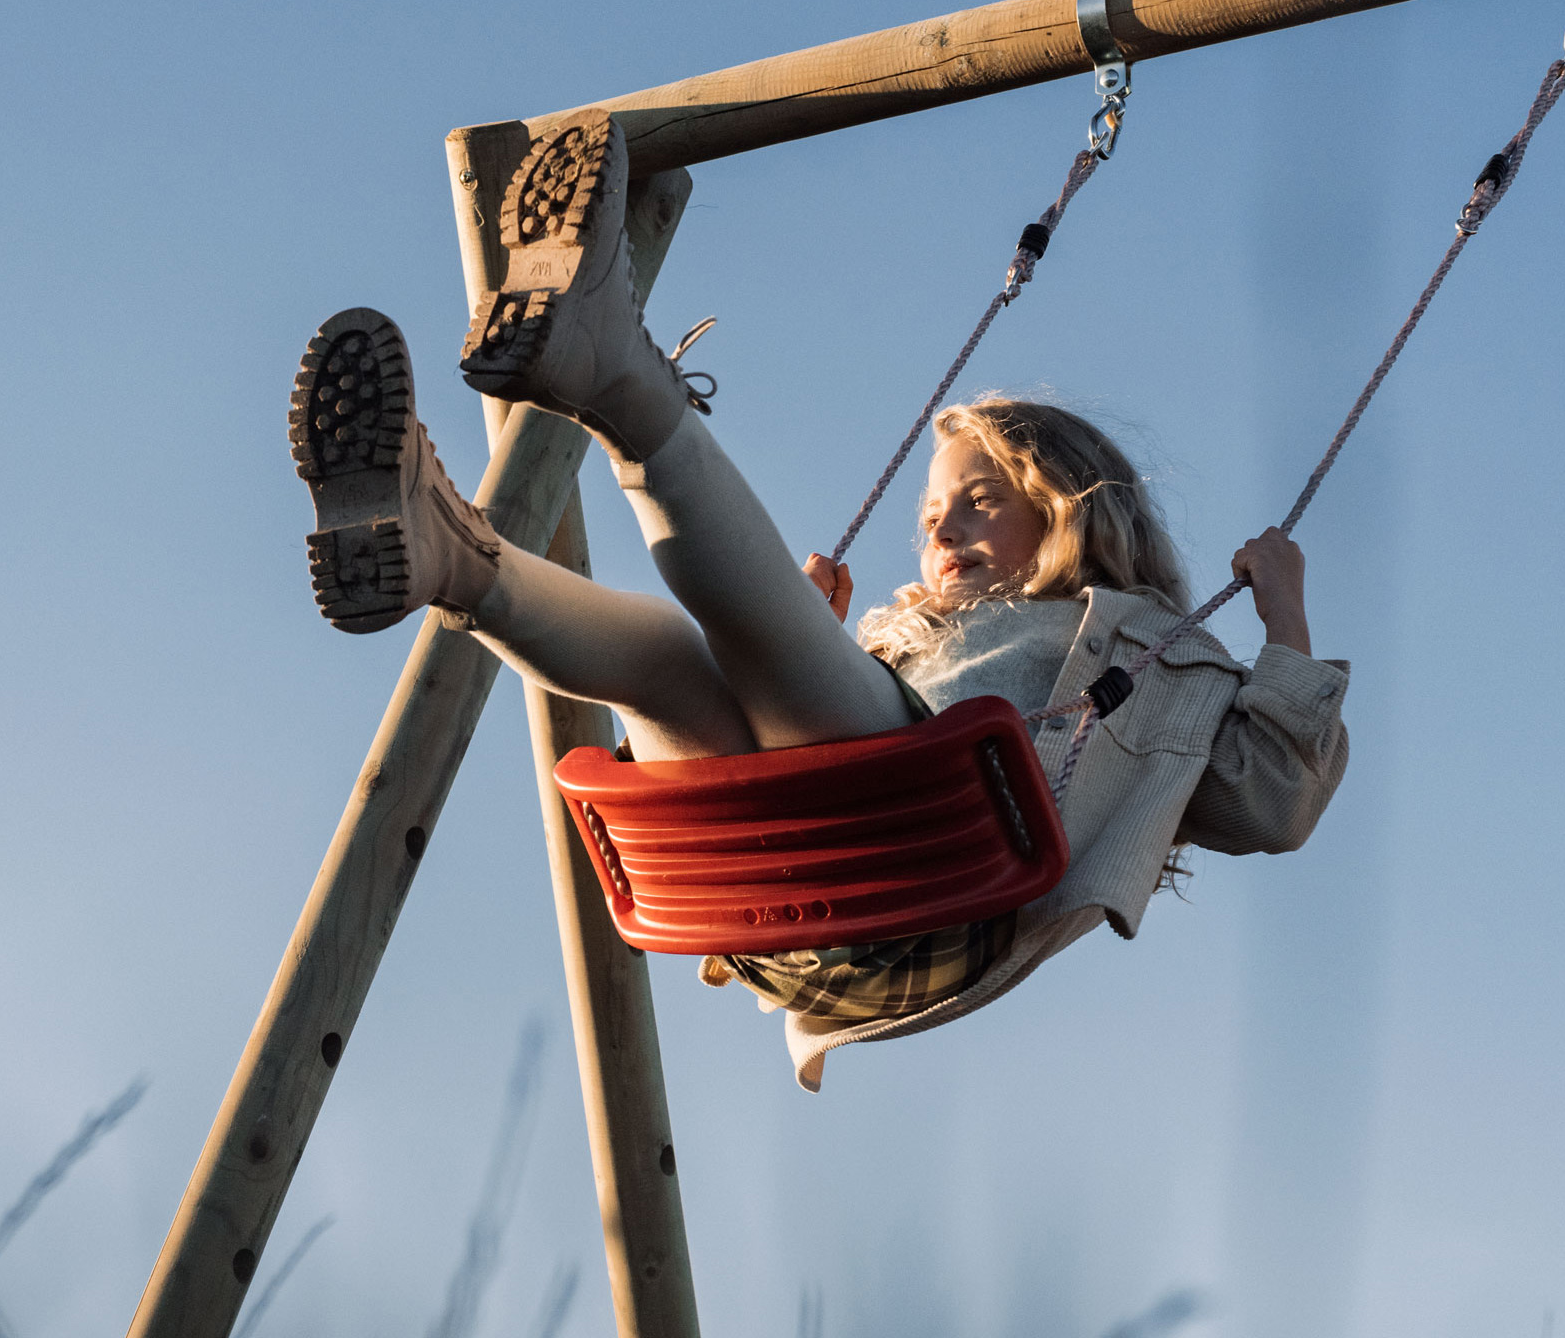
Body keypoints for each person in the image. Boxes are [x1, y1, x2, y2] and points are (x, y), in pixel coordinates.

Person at [287, 111, 1351, 1090]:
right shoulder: (897, 641)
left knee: (757, 636)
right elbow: (808, 698)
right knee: (666, 657)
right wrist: (808, 649)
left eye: (978, 502)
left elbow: (1271, 806)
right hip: (777, 914)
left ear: (1067, 510)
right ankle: (451, 563)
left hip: (931, 885)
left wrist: (1284, 625)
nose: (939, 527)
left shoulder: (1149, 652)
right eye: (933, 510)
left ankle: (611, 376)